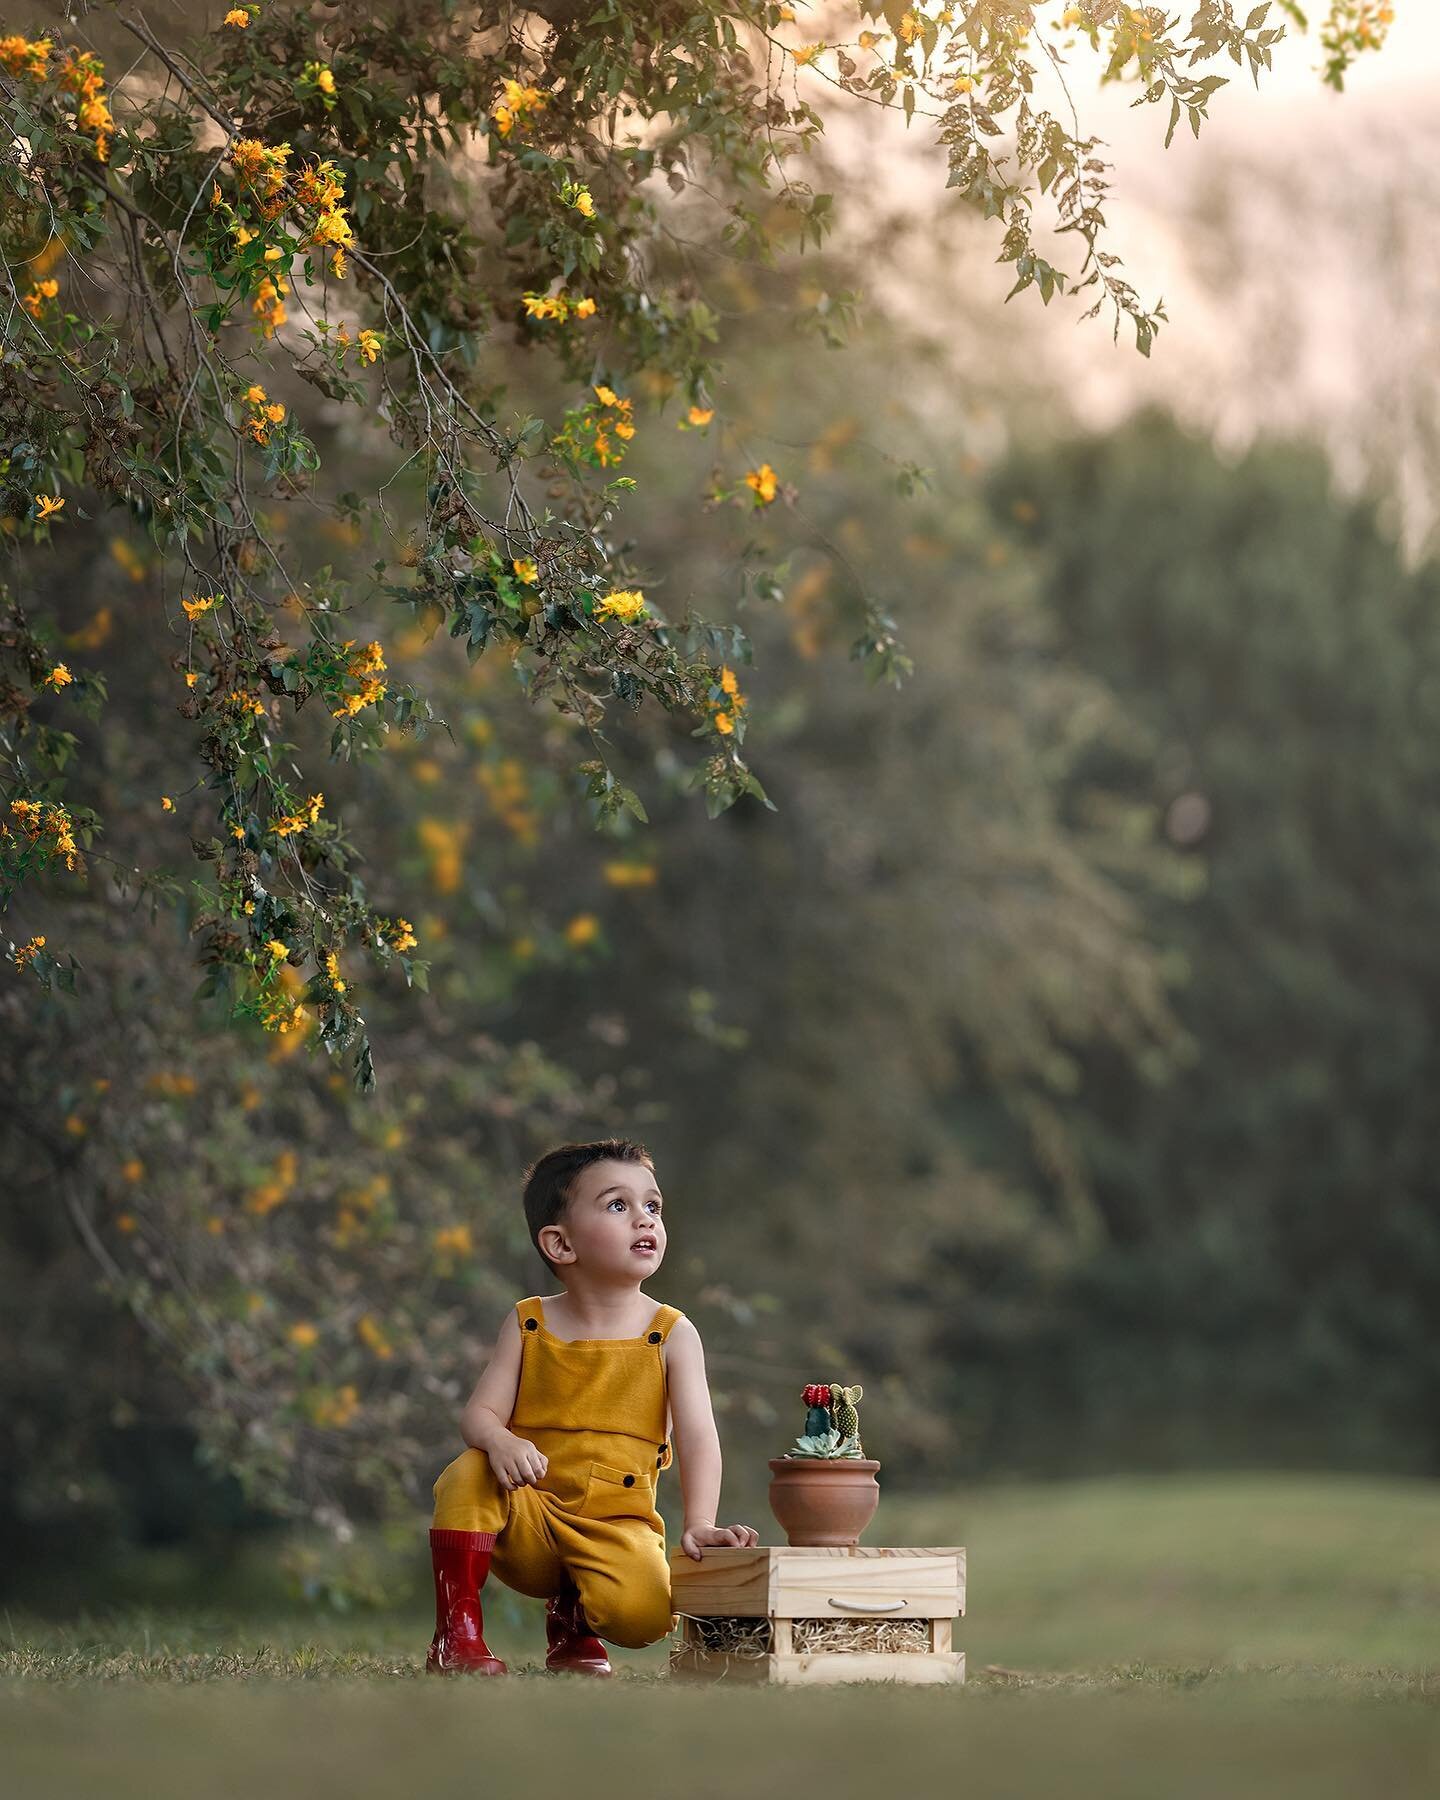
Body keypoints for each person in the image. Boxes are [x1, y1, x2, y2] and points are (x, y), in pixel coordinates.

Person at [426, 1137, 760, 1676]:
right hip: (529, 1515)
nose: (644, 1220)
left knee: (645, 1618)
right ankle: (457, 1636)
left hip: (615, 1523)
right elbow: (477, 1417)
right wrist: (500, 1440)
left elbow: (698, 1436)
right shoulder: (528, 1323)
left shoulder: (671, 1334)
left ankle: (575, 1620)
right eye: (617, 1205)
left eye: (652, 1206)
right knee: (467, 1473)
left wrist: (699, 1522)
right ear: (560, 1244)